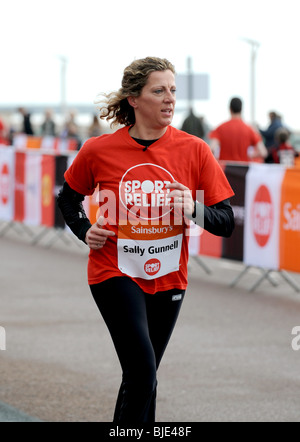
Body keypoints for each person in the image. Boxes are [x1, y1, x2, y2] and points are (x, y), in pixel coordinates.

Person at [57, 56, 235, 423]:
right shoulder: (98, 149)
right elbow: (68, 197)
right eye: (159, 91)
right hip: (113, 271)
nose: (169, 99)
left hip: (169, 275)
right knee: (142, 372)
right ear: (134, 99)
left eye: (173, 90)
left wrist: (194, 208)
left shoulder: (195, 149)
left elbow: (226, 222)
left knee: (143, 377)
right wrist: (83, 229)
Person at [209, 97, 267, 162]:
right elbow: (263, 152)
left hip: (225, 168)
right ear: (241, 109)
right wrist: (250, 156)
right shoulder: (249, 129)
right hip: (243, 169)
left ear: (230, 109)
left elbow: (212, 149)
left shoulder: (220, 128)